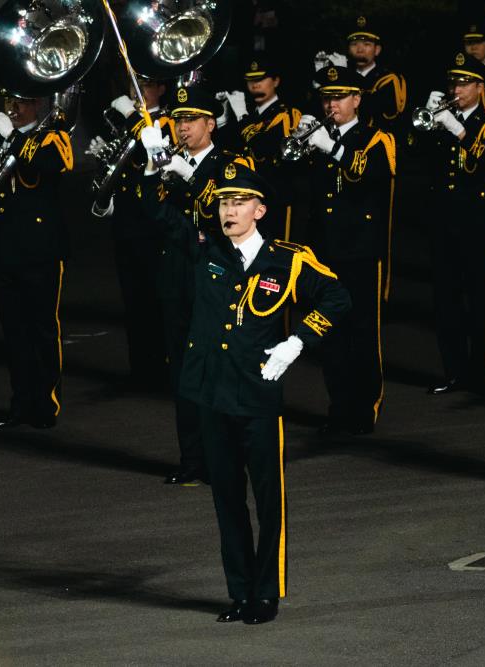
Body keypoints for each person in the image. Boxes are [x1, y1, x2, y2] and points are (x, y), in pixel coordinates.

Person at [135, 146, 350, 624]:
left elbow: (338, 296)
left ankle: (267, 591)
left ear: (260, 209)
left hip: (256, 395)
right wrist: (153, 168)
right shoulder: (204, 247)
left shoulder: (288, 260)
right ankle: (239, 591)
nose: (229, 211)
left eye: (239, 202)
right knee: (226, 498)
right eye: (224, 202)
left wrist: (298, 341)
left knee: (268, 500)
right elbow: (157, 213)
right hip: (211, 393)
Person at [141, 84, 255, 486]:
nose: (182, 127)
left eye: (190, 120)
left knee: (222, 370)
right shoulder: (170, 161)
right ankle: (193, 459)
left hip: (216, 278)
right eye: (177, 119)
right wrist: (154, 170)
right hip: (177, 276)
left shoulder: (229, 163)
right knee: (184, 374)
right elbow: (154, 217)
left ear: (210, 122)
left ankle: (229, 458)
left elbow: (229, 216)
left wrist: (189, 182)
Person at [0, 92, 73, 430]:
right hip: (5, 247)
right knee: (14, 332)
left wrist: (12, 138)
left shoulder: (52, 136)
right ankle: (21, 402)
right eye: (9, 99)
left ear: (37, 104)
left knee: (42, 328)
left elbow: (51, 165)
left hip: (40, 249)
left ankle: (46, 403)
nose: (14, 107)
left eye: (22, 101)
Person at [304, 65, 397, 435]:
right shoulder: (317, 135)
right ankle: (339, 407)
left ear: (356, 100)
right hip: (324, 250)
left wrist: (333, 148)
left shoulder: (376, 138)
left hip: (359, 250)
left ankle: (365, 408)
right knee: (330, 333)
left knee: (362, 331)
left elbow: (369, 175)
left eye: (340, 97)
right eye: (327, 97)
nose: (332, 105)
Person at [414, 53, 485, 394]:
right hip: (444, 221)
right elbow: (418, 156)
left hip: (477, 222)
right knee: (446, 300)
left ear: (481, 87)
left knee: (480, 300)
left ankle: (481, 374)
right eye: (454, 82)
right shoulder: (442, 118)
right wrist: (425, 124)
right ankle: (453, 371)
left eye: (465, 83)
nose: (457, 88)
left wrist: (458, 130)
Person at [89, 78, 173, 388]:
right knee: (133, 301)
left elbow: (162, 158)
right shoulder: (127, 123)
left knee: (157, 300)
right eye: (132, 86)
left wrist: (133, 117)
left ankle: (163, 369)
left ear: (160, 89)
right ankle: (141, 369)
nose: (136, 93)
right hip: (126, 221)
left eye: (145, 85)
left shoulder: (167, 120)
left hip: (153, 223)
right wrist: (104, 159)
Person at [218, 54, 302, 240]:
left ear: (276, 81)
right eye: (250, 80)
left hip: (275, 199)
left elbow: (265, 150)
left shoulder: (286, 114)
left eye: (261, 79)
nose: (255, 85)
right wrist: (222, 118)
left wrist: (241, 116)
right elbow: (226, 150)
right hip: (248, 200)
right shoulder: (248, 115)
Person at [345, 15, 407, 132]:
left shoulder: (389, 78)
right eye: (354, 44)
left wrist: (346, 75)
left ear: (377, 50)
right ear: (348, 49)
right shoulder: (344, 75)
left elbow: (382, 112)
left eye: (367, 44)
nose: (360, 49)